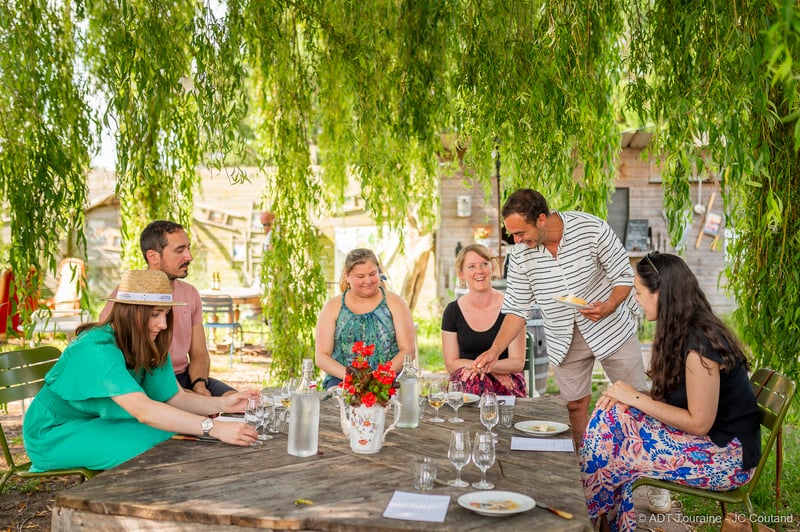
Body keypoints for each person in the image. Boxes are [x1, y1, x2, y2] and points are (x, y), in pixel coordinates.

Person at [579, 253, 761, 531]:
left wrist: (635, 397)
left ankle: (586, 517)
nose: (635, 299)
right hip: (710, 442)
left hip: (727, 459)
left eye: (639, 292)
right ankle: (597, 519)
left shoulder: (700, 344)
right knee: (612, 418)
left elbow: (699, 423)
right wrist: (631, 397)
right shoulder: (682, 331)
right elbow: (675, 400)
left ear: (661, 293)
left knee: (615, 444)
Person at [23, 270, 259, 472]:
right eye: (155, 314)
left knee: (173, 437)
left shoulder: (146, 341)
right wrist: (214, 428)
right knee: (161, 446)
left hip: (97, 422)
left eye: (166, 314)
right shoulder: (96, 348)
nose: (163, 324)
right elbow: (145, 411)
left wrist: (222, 404)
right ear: (130, 312)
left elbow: (174, 397)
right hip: (54, 434)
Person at [472, 188, 649, 450]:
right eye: (513, 234)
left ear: (541, 219)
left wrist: (610, 305)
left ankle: (642, 459)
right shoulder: (519, 255)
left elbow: (624, 276)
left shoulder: (591, 228)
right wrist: (494, 351)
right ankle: (583, 463)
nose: (517, 240)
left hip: (611, 328)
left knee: (636, 401)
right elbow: (517, 309)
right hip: (563, 336)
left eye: (521, 233)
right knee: (574, 405)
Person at [100, 220, 235, 396]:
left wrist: (199, 385)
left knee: (242, 403)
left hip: (184, 376)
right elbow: (108, 354)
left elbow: (199, 353)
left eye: (188, 248)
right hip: (144, 382)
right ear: (153, 257)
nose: (189, 257)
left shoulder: (190, 293)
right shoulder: (127, 295)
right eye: (180, 250)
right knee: (205, 407)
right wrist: (185, 395)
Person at [315, 248, 416, 390]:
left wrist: (377, 377)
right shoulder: (332, 307)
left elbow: (408, 351)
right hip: (342, 381)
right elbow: (322, 356)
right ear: (347, 276)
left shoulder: (395, 303)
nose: (368, 280)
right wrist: (353, 378)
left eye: (372, 274)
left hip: (389, 380)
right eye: (361, 276)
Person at [442, 243, 527, 396]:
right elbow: (451, 363)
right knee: (474, 382)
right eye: (471, 266)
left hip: (507, 376)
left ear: (491, 268)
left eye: (484, 264)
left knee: (483, 385)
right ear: (461, 274)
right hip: (467, 376)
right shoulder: (452, 311)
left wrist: (491, 368)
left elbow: (517, 362)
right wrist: (485, 369)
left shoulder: (512, 307)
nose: (479, 270)